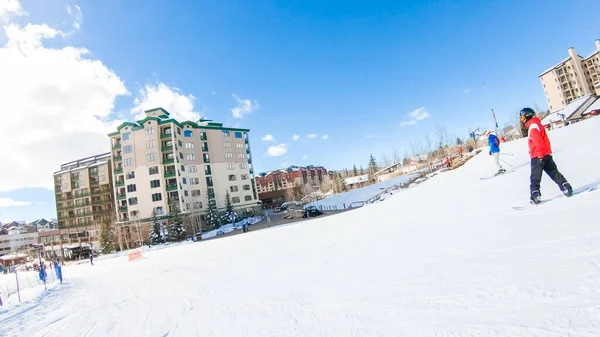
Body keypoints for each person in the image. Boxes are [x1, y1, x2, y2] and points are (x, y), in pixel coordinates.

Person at [519, 108, 572, 204]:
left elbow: (538, 142)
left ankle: (535, 195)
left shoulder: (533, 126)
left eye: (522, 118)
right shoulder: (537, 124)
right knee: (554, 173)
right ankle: (566, 186)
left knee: (535, 177)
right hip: (546, 154)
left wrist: (539, 156)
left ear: (527, 116)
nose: (522, 120)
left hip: (538, 155)